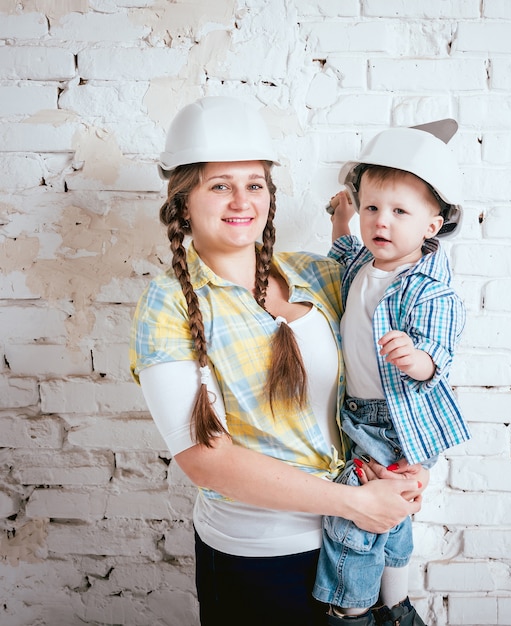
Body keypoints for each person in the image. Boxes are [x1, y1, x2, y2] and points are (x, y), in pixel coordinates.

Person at [129, 95, 430, 626]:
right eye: (220, 185)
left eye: (255, 184)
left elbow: (377, 377)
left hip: (355, 543)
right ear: (183, 200)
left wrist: (402, 465)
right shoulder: (169, 304)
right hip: (261, 559)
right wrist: (355, 504)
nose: (241, 200)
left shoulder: (317, 274)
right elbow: (204, 459)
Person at [313, 122, 471, 625]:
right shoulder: (365, 258)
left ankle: (355, 612)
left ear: (432, 225)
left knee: (357, 519)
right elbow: (340, 252)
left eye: (400, 212)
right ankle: (396, 605)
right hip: (356, 411)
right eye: (372, 208)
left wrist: (415, 358)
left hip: (393, 420)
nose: (382, 222)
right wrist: (342, 218)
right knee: (391, 511)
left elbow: (439, 358)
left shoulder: (429, 289)